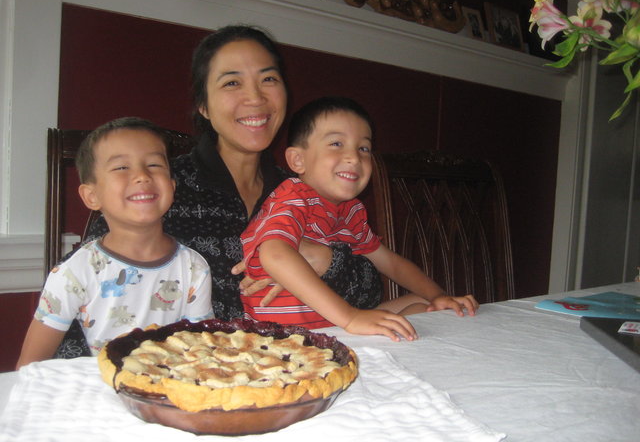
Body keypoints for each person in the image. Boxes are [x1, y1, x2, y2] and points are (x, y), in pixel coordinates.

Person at [59, 25, 381, 357]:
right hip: (184, 377)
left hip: (296, 366)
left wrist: (320, 260)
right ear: (204, 106)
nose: (255, 98)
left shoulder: (307, 191)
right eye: (231, 82)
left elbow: (371, 293)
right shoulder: (160, 189)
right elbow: (79, 296)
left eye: (268, 79)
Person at [241, 97, 479, 341]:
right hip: (283, 338)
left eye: (363, 148)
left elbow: (391, 263)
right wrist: (351, 317)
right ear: (298, 160)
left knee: (427, 303)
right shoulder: (293, 197)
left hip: (331, 324)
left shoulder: (350, 210)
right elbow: (274, 255)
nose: (354, 157)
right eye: (336, 143)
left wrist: (439, 295)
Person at [17, 118, 214, 368]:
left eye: (154, 164)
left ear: (172, 187)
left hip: (169, 394)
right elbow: (30, 366)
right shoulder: (74, 273)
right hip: (99, 394)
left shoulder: (194, 268)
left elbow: (200, 353)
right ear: (92, 196)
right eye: (121, 167)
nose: (142, 176)